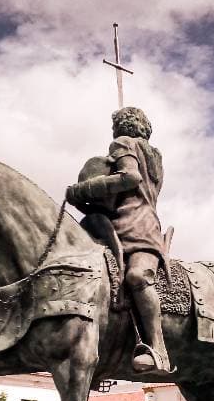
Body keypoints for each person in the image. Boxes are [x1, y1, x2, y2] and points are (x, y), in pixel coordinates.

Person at [66, 106, 172, 375]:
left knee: (137, 276)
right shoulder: (154, 154)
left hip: (138, 229)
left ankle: (158, 350)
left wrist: (83, 189)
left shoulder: (124, 144)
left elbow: (130, 177)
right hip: (114, 227)